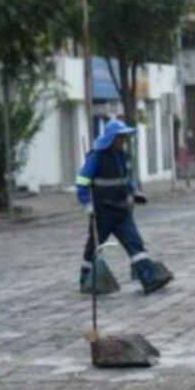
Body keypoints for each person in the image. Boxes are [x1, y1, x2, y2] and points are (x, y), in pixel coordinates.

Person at [76, 118, 173, 296]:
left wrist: (135, 193)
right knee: (94, 247)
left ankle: (149, 278)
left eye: (124, 138)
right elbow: (82, 181)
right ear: (112, 139)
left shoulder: (121, 156)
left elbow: (125, 179)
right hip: (102, 213)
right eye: (120, 138)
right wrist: (86, 204)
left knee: (135, 243)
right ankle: (86, 279)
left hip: (121, 211)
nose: (123, 141)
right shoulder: (96, 156)